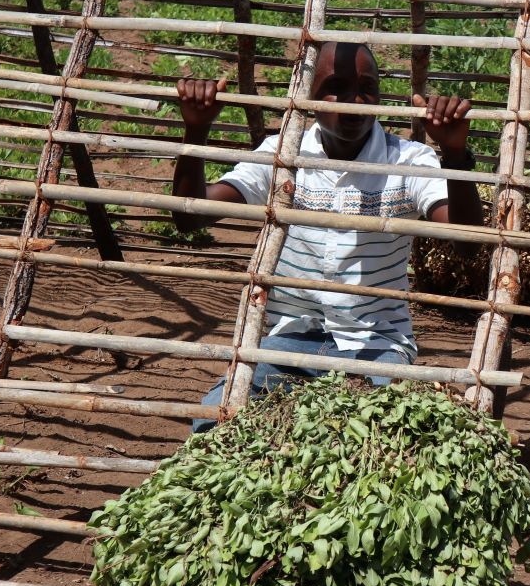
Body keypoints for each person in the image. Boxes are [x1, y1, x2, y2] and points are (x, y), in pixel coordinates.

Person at [171, 42, 484, 432]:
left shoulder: (408, 161)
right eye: (336, 86)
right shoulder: (283, 153)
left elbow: (467, 242)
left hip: (375, 347)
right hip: (287, 343)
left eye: (367, 87)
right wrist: (196, 131)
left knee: (372, 438)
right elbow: (191, 217)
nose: (354, 100)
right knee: (212, 427)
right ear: (310, 98)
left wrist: (455, 156)